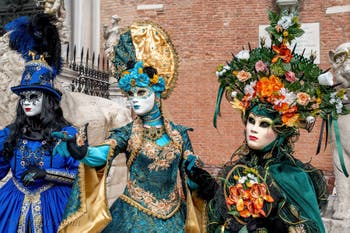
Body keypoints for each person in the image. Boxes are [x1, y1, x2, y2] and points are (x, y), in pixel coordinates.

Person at [187, 9, 349, 233]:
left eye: (264, 124)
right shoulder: (236, 169)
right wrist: (206, 190)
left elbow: (310, 228)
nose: (253, 129)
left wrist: (277, 227)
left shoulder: (293, 178)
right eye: (251, 121)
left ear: (281, 130)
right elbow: (221, 218)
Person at [58, 22, 205, 233]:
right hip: (131, 218)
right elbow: (104, 153)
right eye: (131, 94)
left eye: (142, 93)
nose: (134, 100)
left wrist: (197, 177)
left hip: (174, 219)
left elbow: (190, 177)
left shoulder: (179, 135)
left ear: (157, 93)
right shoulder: (129, 132)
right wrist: (80, 151)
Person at [0, 14, 80, 232]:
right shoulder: (10, 134)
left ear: (47, 101)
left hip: (54, 206)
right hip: (11, 203)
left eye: (33, 97)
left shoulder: (67, 135)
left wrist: (48, 174)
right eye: (24, 97)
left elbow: (81, 176)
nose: (27, 102)